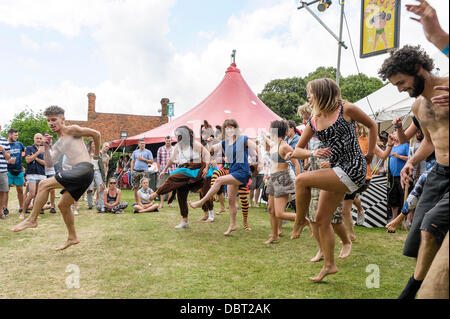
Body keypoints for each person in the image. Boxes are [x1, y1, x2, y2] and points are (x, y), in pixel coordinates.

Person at [286, 78, 377, 282]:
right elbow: (297, 150)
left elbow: (372, 125)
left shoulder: (346, 109)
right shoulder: (314, 120)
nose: (308, 96)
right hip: (336, 170)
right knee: (322, 219)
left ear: (322, 93)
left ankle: (300, 220)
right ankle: (329, 265)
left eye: (310, 92)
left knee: (301, 180)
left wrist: (370, 154)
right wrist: (314, 152)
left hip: (353, 168)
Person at [379, 44, 449, 298]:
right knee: (416, 240)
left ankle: (413, 290)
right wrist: (410, 162)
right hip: (438, 173)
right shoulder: (418, 107)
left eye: (401, 82)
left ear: (418, 70)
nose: (399, 89)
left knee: (432, 226)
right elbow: (429, 141)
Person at [12, 105, 101, 251]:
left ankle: (32, 220)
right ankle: (72, 237)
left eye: (54, 119)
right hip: (81, 174)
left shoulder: (71, 129)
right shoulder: (59, 143)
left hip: (84, 169)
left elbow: (96, 134)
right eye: (48, 120)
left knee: (44, 184)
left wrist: (96, 155)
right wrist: (47, 147)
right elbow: (49, 163)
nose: (51, 123)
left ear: (63, 119)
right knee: (62, 205)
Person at [297, 103, 351, 260]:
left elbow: (344, 149)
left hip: (332, 175)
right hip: (314, 176)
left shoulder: (331, 127)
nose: (304, 119)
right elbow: (302, 151)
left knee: (333, 217)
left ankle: (346, 241)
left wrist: (334, 162)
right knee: (313, 215)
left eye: (305, 116)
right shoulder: (310, 130)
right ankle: (321, 249)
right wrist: (307, 157)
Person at [189, 119, 261, 236]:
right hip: (233, 172)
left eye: (231, 127)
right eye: (227, 128)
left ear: (235, 128)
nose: (229, 130)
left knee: (219, 180)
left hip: (242, 172)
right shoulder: (224, 142)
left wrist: (260, 162)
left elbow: (257, 148)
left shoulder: (243, 139)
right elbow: (211, 149)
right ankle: (232, 225)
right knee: (231, 201)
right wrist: (209, 142)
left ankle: (202, 201)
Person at [148, 126, 212, 229]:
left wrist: (207, 167)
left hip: (195, 170)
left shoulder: (194, 144)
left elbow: (206, 154)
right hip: (184, 170)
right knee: (181, 195)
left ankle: (156, 193)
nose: (178, 137)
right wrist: (164, 170)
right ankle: (185, 220)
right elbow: (171, 159)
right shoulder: (178, 146)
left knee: (173, 177)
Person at [263, 120, 301, 244]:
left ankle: (304, 219)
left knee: (280, 213)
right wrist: (263, 135)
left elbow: (296, 163)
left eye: (270, 129)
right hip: (273, 178)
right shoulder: (274, 144)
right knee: (270, 209)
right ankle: (275, 236)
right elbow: (268, 142)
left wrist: (299, 179)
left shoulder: (284, 146)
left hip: (282, 178)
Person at [20, 133, 46, 219]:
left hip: (41, 173)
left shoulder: (44, 149)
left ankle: (34, 214)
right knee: (31, 194)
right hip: (31, 173)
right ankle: (23, 212)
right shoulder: (29, 148)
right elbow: (27, 160)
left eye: (40, 138)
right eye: (37, 138)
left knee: (37, 195)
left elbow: (45, 163)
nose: (38, 140)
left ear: (42, 140)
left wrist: (35, 157)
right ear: (34, 139)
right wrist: (38, 153)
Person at [5, 129, 25, 216]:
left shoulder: (19, 144)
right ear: (9, 135)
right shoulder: (4, 144)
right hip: (8, 170)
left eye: (17, 135)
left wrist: (20, 160)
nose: (17, 137)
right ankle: (4, 208)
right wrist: (7, 161)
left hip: (19, 170)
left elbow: (24, 152)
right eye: (15, 135)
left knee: (20, 190)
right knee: (6, 190)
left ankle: (22, 207)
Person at [131, 139, 153, 205]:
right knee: (136, 187)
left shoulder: (148, 152)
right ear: (138, 144)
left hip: (144, 171)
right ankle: (136, 201)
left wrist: (143, 159)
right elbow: (132, 161)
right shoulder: (135, 152)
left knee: (145, 186)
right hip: (135, 171)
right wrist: (131, 170)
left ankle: (145, 201)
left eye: (144, 143)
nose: (142, 145)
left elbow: (151, 162)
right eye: (141, 143)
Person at [156, 136, 176, 209]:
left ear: (171, 141)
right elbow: (158, 161)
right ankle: (161, 203)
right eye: (167, 141)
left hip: (172, 170)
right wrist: (159, 171)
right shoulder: (160, 149)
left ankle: (169, 202)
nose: (168, 142)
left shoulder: (174, 149)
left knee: (171, 186)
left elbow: (178, 160)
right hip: (163, 171)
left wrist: (172, 161)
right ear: (165, 141)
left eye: (169, 141)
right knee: (163, 187)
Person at [86, 140, 106, 212]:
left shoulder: (99, 153)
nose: (94, 145)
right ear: (90, 145)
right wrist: (89, 157)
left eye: (95, 144)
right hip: (89, 172)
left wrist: (103, 177)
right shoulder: (86, 153)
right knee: (89, 189)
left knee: (100, 188)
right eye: (93, 144)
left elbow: (102, 166)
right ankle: (90, 204)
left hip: (97, 171)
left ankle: (101, 205)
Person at [0, 128, 11, 220]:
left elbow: (8, 158)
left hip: (2, 171)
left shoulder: (4, 141)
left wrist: (3, 150)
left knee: (2, 192)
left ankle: (1, 212)